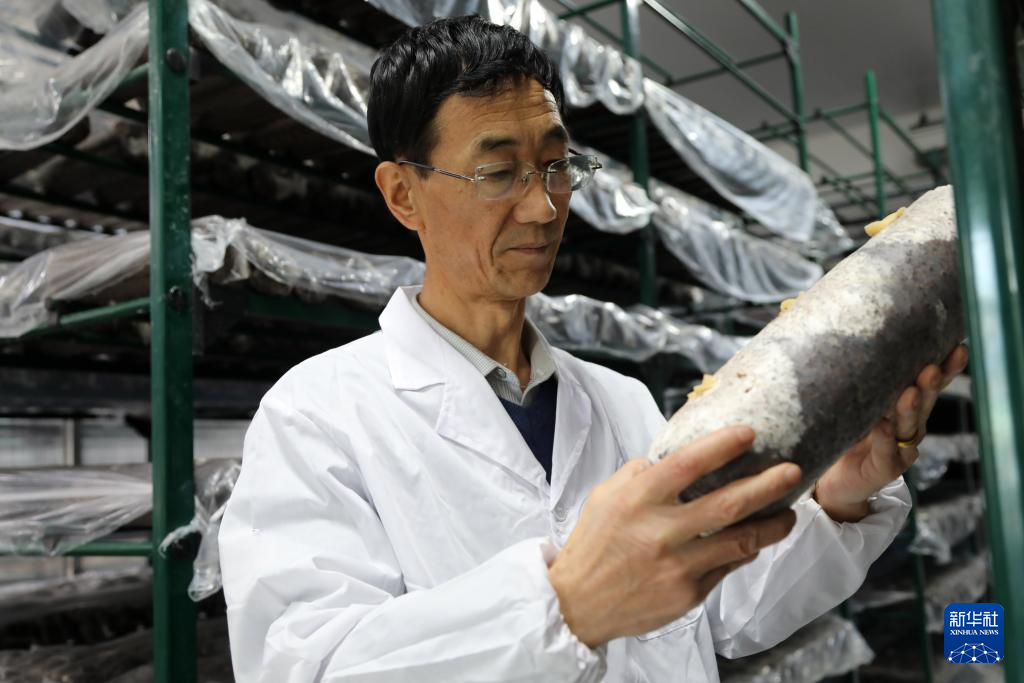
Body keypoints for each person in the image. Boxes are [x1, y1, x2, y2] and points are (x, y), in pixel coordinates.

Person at [218, 15, 968, 682]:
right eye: (498, 172)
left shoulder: (621, 401)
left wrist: (840, 496)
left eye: (556, 166)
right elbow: (307, 665)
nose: (543, 207)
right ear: (402, 193)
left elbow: (725, 611)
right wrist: (568, 604)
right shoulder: (318, 415)